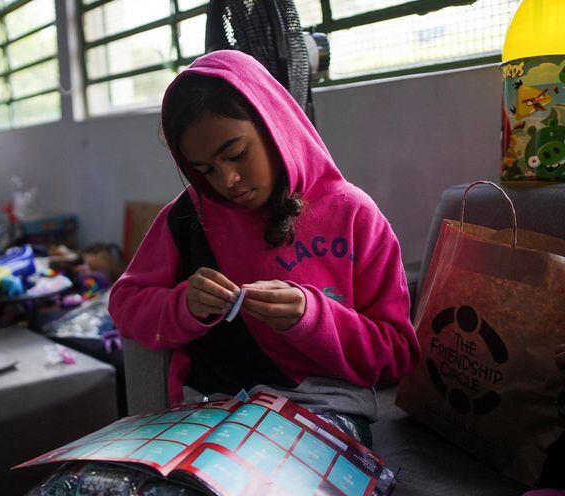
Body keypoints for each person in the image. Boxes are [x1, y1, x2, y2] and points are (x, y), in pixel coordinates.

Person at [110, 50, 420, 444]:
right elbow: (125, 304)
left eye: (236, 154)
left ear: (274, 126)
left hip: (323, 412)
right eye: (204, 170)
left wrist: (312, 318)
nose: (228, 179)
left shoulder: (353, 214)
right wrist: (184, 305)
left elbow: (397, 354)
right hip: (213, 411)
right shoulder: (188, 217)